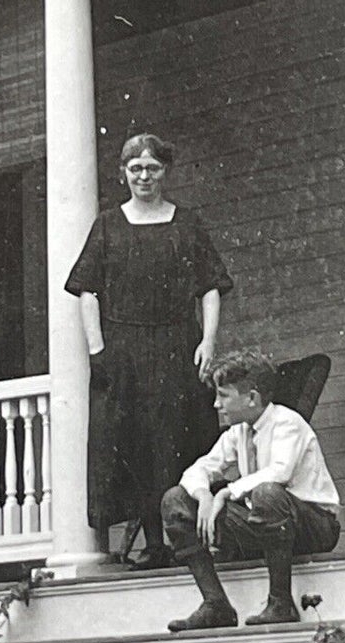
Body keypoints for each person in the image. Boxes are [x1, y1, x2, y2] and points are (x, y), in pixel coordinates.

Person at [65, 132, 233, 569]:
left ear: (165, 172)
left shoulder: (186, 223)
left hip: (178, 342)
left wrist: (208, 340)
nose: (144, 176)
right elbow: (87, 291)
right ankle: (154, 542)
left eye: (152, 168)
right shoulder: (108, 224)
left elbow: (211, 286)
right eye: (135, 168)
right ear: (123, 173)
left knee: (180, 436)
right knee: (135, 441)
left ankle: (191, 538)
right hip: (125, 348)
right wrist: (98, 348)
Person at [161, 348, 340, 630]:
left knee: (267, 493)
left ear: (252, 397)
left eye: (224, 396)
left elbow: (279, 472)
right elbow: (199, 470)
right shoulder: (239, 431)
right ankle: (216, 604)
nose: (216, 405)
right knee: (175, 501)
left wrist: (225, 492)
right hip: (269, 526)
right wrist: (204, 494)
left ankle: (280, 602)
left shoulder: (287, 422)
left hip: (314, 526)